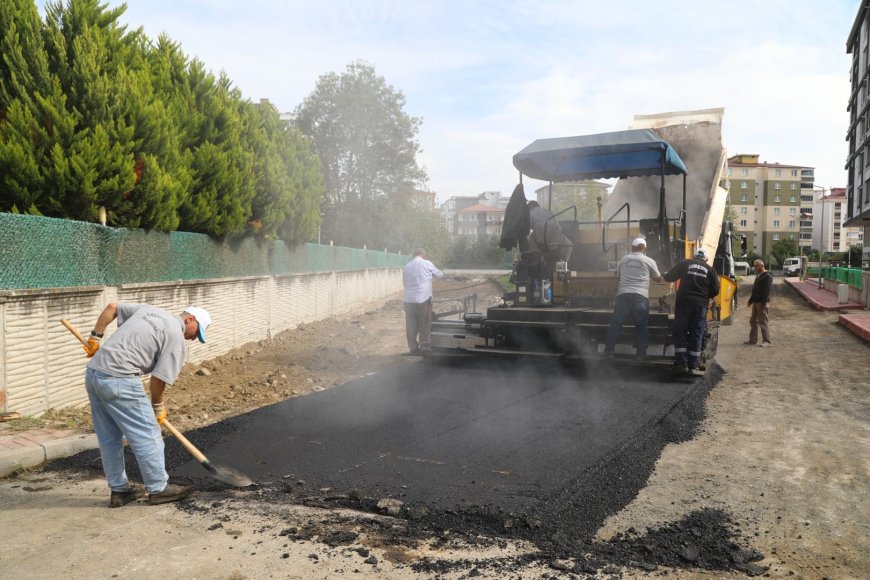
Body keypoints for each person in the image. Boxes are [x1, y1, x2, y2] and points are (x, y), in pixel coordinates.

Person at [83, 303, 212, 507]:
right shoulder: (175, 337)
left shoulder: (150, 311)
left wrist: (95, 337)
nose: (194, 338)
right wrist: (158, 408)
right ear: (190, 320)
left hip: (94, 375)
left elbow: (111, 307)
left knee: (109, 438)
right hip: (120, 380)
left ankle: (119, 490)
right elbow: (158, 380)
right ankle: (158, 488)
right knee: (148, 435)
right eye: (198, 333)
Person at [603, 237, 663, 359]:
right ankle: (640, 354)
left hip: (623, 296)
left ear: (632, 247)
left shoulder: (623, 260)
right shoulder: (649, 261)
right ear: (644, 248)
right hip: (640, 297)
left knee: (616, 324)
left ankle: (608, 352)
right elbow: (658, 278)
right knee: (641, 325)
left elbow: (618, 277)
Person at [663, 248, 721, 376]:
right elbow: (716, 290)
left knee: (680, 332)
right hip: (700, 305)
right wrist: (705, 294)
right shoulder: (710, 270)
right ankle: (693, 365)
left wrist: (665, 274)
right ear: (705, 258)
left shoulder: (685, 264)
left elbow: (669, 277)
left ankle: (681, 364)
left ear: (694, 256)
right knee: (696, 333)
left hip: (683, 303)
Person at [402, 249, 443, 355]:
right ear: (424, 256)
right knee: (424, 323)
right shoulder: (427, 263)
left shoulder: (407, 266)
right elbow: (440, 275)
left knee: (411, 324)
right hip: (423, 299)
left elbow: (405, 283)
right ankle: (424, 347)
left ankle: (413, 348)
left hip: (408, 300)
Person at [527, 200, 573, 265]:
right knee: (569, 245)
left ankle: (536, 263)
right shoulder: (548, 211)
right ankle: (562, 266)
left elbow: (527, 226)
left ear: (530, 207)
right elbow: (558, 226)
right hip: (556, 238)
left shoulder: (531, 213)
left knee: (529, 241)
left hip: (541, 241)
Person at [746, 258, 773, 347]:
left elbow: (767, 290)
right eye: (754, 265)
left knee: (763, 321)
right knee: (753, 321)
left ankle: (766, 341)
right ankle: (753, 340)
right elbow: (755, 290)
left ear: (762, 265)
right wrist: (750, 300)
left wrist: (764, 303)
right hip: (755, 302)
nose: (755, 267)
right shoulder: (759, 275)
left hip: (762, 302)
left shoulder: (767, 276)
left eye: (756, 265)